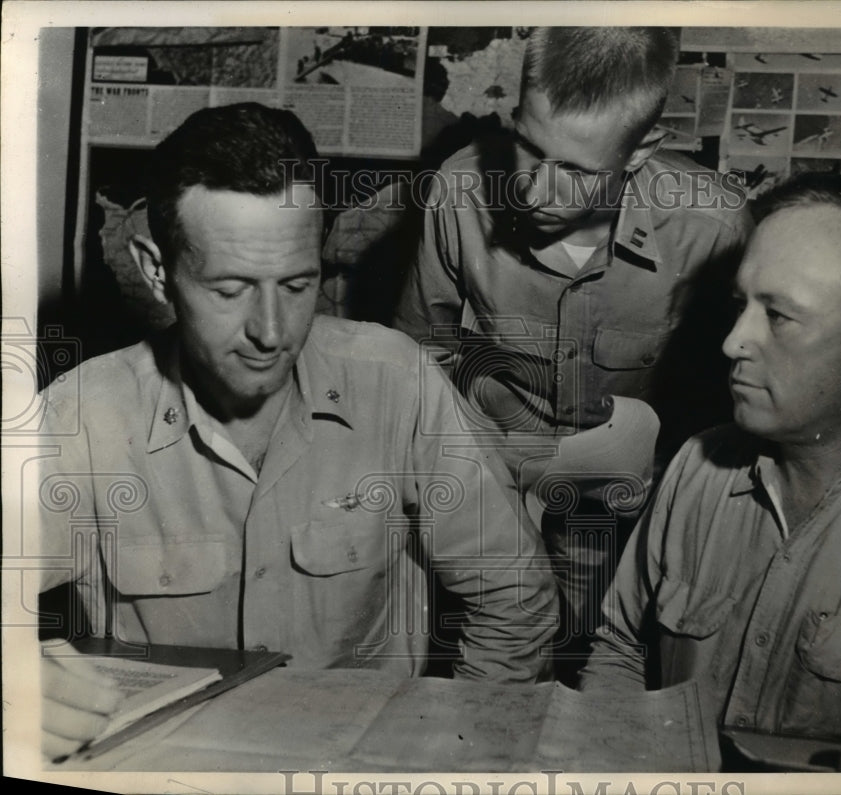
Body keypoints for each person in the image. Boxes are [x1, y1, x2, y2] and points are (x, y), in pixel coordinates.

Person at [36, 103, 558, 760]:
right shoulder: (82, 416)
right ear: (156, 268)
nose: (273, 331)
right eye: (231, 288)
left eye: (297, 283)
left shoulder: (395, 382)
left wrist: (451, 745)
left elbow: (515, 594)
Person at [393, 27, 753, 680]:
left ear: (644, 148)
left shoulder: (714, 230)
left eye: (578, 171)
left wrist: (651, 483)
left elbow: (724, 414)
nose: (534, 191)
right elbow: (422, 356)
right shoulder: (459, 191)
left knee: (599, 698)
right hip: (488, 502)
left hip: (626, 527)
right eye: (530, 150)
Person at [579, 173, 841, 770]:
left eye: (779, 316)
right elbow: (619, 652)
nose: (734, 342)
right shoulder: (697, 466)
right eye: (741, 306)